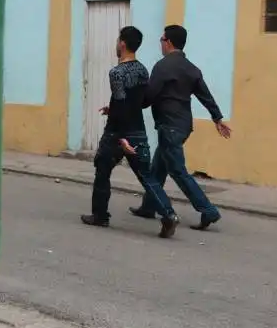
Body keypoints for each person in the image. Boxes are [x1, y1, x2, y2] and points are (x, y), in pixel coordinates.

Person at [129, 24, 232, 231]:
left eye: (161, 39)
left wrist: (129, 106)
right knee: (158, 168)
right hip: (183, 125)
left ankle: (208, 210)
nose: (160, 43)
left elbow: (149, 96)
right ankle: (149, 206)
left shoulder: (163, 66)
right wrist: (217, 118)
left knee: (177, 171)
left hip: (170, 126)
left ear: (168, 42)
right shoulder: (191, 68)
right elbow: (205, 95)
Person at [81, 26, 181, 239]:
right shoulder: (143, 70)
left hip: (118, 133)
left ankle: (100, 215)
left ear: (123, 43)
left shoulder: (116, 73)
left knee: (102, 169)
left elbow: (122, 103)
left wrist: (121, 138)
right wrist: (114, 108)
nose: (117, 44)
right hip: (138, 131)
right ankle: (169, 215)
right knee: (146, 176)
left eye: (118, 40)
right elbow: (138, 101)